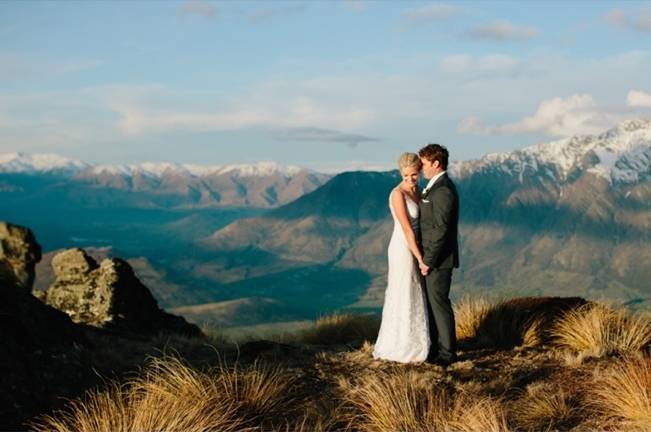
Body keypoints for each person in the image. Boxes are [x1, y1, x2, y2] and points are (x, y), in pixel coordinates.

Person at [372, 152, 430, 363]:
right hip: (403, 248)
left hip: (417, 245)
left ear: (419, 171)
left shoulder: (421, 191)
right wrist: (421, 258)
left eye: (413, 175)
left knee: (416, 291)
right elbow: (406, 229)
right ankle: (400, 346)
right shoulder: (397, 194)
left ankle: (416, 342)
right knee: (405, 289)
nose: (410, 179)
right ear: (401, 173)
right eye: (406, 176)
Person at [418, 143, 460, 366]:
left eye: (424, 163)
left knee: (439, 304)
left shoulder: (443, 189)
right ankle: (436, 348)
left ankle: (447, 353)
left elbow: (441, 230)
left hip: (438, 260)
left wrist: (428, 261)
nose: (421, 167)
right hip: (431, 258)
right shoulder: (434, 186)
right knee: (433, 304)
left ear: (436, 163)